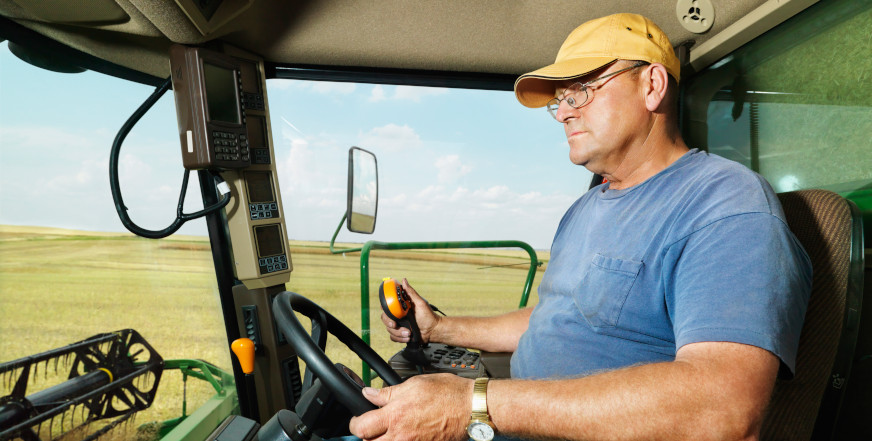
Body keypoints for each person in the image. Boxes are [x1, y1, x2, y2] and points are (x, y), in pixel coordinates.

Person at [348, 13, 812, 441]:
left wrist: (471, 407)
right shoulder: (587, 207)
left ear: (651, 85)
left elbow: (725, 409)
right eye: (561, 100)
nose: (566, 111)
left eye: (582, 90)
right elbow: (558, 317)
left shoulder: (723, 204)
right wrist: (439, 329)